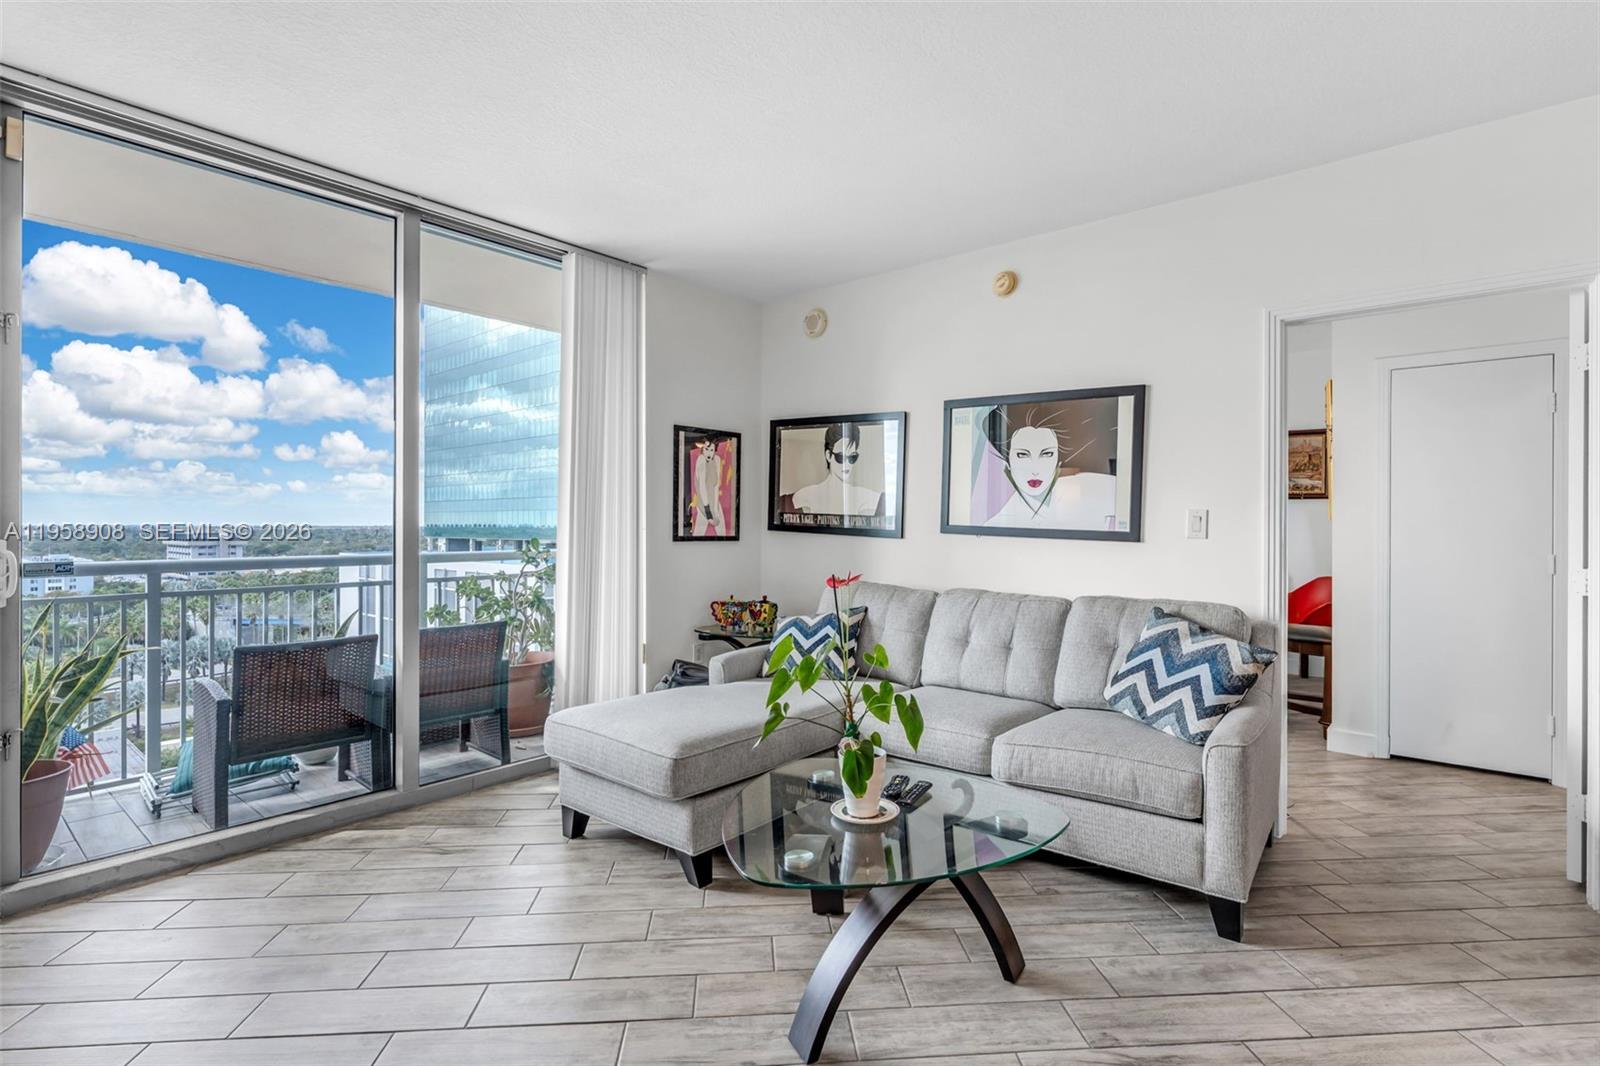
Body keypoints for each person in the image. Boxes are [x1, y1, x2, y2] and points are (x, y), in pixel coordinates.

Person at [983, 411, 1117, 530]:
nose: (1035, 470)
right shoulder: (995, 523)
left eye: (1047, 454)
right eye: (1022, 455)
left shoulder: (1089, 489)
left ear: (1058, 461)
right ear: (1008, 463)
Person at [791, 423, 882, 516]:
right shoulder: (805, 496)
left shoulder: (866, 497)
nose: (846, 464)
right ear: (828, 455)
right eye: (841, 457)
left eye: (852, 457)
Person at [690, 436, 728, 536]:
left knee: (722, 532)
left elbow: (715, 487)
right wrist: (708, 512)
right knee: (698, 534)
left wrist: (715, 508)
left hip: (714, 501)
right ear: (703, 450)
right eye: (707, 449)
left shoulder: (717, 460)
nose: (709, 453)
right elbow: (702, 487)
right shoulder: (701, 460)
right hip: (703, 502)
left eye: (711, 450)